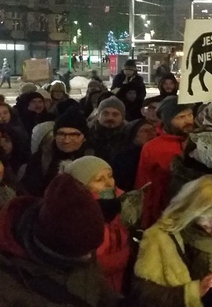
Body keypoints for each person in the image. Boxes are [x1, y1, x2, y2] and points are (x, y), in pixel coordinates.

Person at [0, 173, 121, 306]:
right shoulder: (10, 283)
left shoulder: (82, 252)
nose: (90, 258)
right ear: (55, 251)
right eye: (83, 253)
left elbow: (103, 295)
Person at [129, 175, 212, 307]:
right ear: (193, 209)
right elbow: (142, 294)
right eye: (210, 216)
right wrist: (194, 292)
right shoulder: (158, 239)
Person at [61, 156, 131, 293]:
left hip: (119, 286)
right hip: (89, 290)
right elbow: (87, 266)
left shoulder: (124, 204)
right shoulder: (74, 215)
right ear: (81, 185)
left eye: (110, 176)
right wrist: (129, 256)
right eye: (99, 179)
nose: (108, 183)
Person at [136, 96, 196, 228]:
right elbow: (144, 186)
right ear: (168, 121)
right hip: (165, 213)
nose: (188, 121)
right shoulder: (152, 148)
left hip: (197, 211)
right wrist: (145, 222)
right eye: (181, 117)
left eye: (190, 115)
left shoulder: (201, 140)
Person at [21, 108, 94, 196]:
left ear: (84, 137)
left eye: (74, 135)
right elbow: (30, 191)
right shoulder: (41, 158)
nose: (66, 140)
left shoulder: (95, 157)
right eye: (61, 134)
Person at [111, 119, 157, 192]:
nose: (151, 134)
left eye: (153, 130)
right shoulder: (123, 158)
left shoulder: (157, 153)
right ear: (133, 136)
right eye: (145, 131)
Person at [89, 96, 129, 164]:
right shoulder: (87, 135)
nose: (110, 118)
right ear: (98, 116)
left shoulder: (130, 136)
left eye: (115, 114)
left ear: (122, 118)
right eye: (105, 113)